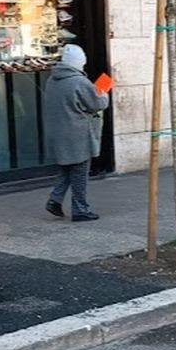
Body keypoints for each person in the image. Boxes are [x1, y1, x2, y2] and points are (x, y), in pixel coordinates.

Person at [42, 43, 108, 222]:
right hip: (77, 134)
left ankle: (55, 200)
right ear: (79, 63)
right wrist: (103, 88)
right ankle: (80, 209)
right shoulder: (79, 82)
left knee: (66, 168)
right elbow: (98, 104)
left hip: (59, 133)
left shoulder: (52, 80)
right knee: (79, 173)